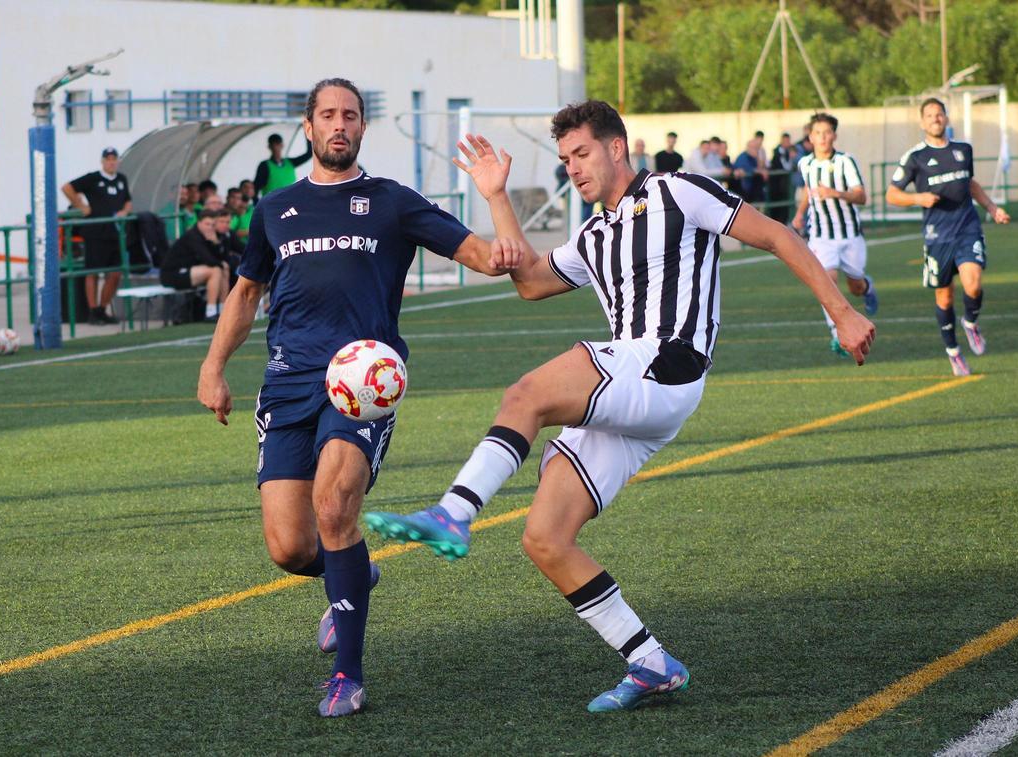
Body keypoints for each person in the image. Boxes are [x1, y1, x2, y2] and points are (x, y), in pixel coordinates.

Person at [364, 100, 874, 712]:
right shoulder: (593, 234)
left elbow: (777, 235)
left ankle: (453, 513)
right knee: (546, 538)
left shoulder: (678, 192)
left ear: (616, 147)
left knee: (526, 394)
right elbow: (530, 282)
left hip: (665, 362)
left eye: (581, 153)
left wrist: (842, 312)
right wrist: (496, 196)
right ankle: (651, 663)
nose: (573, 168)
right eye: (565, 160)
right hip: (635, 392)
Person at [196, 78, 516, 718]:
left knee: (334, 505)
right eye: (328, 115)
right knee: (290, 547)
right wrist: (213, 367)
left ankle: (348, 675)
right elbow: (246, 293)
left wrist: (496, 196)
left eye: (350, 115)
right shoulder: (275, 209)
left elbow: (490, 259)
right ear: (309, 127)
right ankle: (354, 571)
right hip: (287, 383)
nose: (339, 124)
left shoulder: (393, 202)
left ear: (363, 128)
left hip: (363, 386)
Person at [886, 97, 1009, 376]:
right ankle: (953, 351)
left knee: (973, 284)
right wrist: (917, 198)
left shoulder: (963, 150)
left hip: (967, 227)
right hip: (937, 236)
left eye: (939, 114)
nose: (935, 119)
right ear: (922, 122)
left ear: (947, 118)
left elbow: (970, 184)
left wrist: (992, 208)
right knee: (944, 297)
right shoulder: (915, 157)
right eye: (929, 115)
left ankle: (971, 322)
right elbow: (891, 194)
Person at [793, 113, 879, 358]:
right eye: (817, 133)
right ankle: (836, 333)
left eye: (827, 132)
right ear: (810, 137)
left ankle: (867, 287)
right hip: (820, 236)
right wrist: (800, 213)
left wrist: (836, 193)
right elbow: (809, 191)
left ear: (835, 135)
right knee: (826, 282)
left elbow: (861, 196)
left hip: (849, 235)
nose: (822, 137)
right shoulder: (805, 163)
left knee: (855, 286)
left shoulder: (845, 161)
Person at [62, 147, 131, 324]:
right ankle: (93, 311)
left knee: (115, 273)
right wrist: (81, 206)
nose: (111, 162)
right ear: (102, 161)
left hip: (114, 233)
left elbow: (128, 201)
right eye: (108, 159)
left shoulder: (121, 179)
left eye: (114, 159)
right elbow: (67, 188)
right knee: (92, 272)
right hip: (95, 233)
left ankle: (102, 309)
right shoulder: (93, 178)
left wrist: (124, 212)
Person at [162, 208, 230, 321]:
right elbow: (209, 260)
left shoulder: (212, 236)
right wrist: (219, 258)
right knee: (216, 270)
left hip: (192, 271)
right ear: (199, 223)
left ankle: (223, 310)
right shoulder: (193, 236)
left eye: (213, 225)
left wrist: (215, 243)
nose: (210, 227)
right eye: (207, 224)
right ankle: (210, 312)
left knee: (223, 269)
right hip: (173, 274)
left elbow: (221, 258)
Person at [253, 132, 312, 197]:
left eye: (278, 144)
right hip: (272, 202)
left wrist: (307, 131)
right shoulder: (264, 166)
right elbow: (255, 187)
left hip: (290, 201)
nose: (276, 147)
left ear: (282, 145)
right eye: (274, 144)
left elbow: (309, 154)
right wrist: (256, 202)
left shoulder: (290, 163)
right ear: (269, 147)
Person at [767, 132, 796, 224]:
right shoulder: (778, 152)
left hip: (784, 185)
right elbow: (786, 167)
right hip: (777, 185)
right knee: (777, 209)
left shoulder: (788, 152)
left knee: (784, 207)